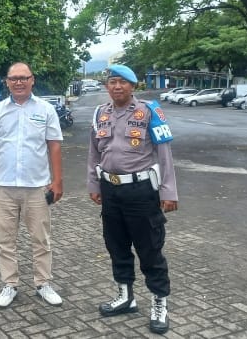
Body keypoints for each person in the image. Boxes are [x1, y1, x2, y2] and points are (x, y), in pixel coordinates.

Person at [87, 64, 178, 335]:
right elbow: (94, 153)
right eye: (112, 82)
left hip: (141, 191)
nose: (117, 86)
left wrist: (168, 191)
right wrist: (94, 184)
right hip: (110, 190)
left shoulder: (149, 111)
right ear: (107, 86)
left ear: (133, 86)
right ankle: (125, 296)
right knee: (116, 246)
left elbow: (164, 152)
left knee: (150, 249)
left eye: (123, 82)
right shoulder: (100, 113)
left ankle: (159, 303)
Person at [0, 62, 64, 308]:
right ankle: (10, 284)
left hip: (37, 187)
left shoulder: (46, 110)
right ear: (7, 82)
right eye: (13, 78)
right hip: (4, 187)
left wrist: (57, 181)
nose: (18, 82)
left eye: (23, 78)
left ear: (32, 80)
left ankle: (43, 283)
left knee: (41, 239)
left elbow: (54, 145)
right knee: (5, 240)